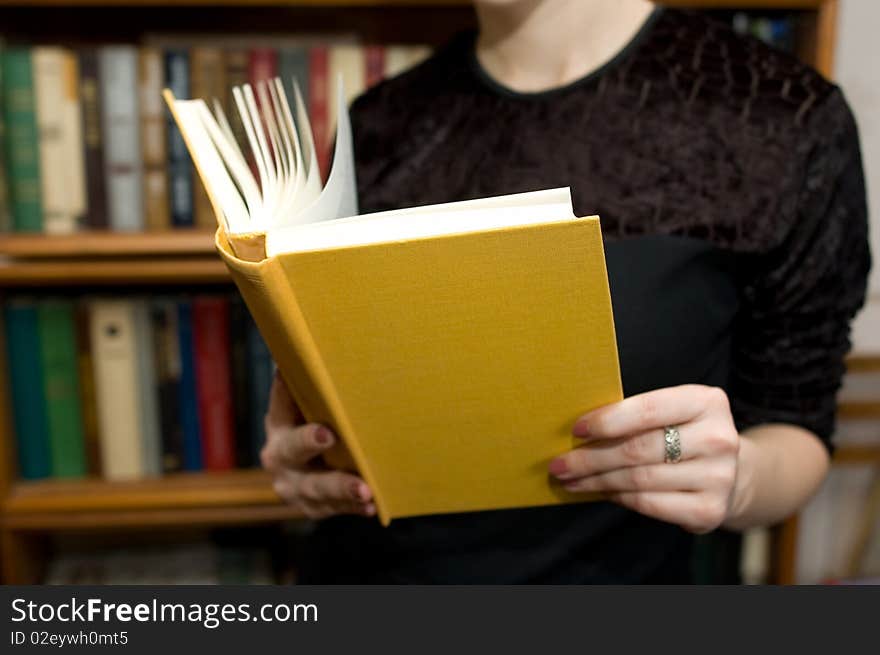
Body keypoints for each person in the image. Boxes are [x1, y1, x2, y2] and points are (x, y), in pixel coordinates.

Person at [260, 0, 871, 583]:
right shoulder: (377, 126)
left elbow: (796, 424)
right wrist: (304, 461)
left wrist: (737, 478)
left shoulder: (779, 116)